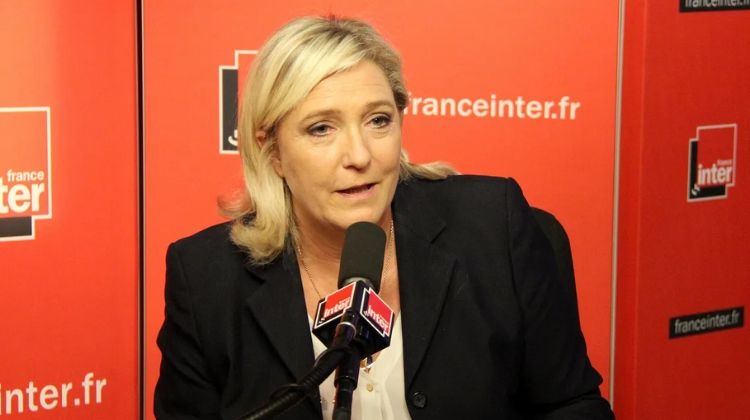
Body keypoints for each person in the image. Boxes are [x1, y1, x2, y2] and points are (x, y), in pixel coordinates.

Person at [154, 16, 614, 420]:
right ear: (272, 151)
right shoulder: (207, 280)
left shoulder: (493, 225)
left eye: (378, 120)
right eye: (321, 129)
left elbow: (573, 405)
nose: (359, 156)